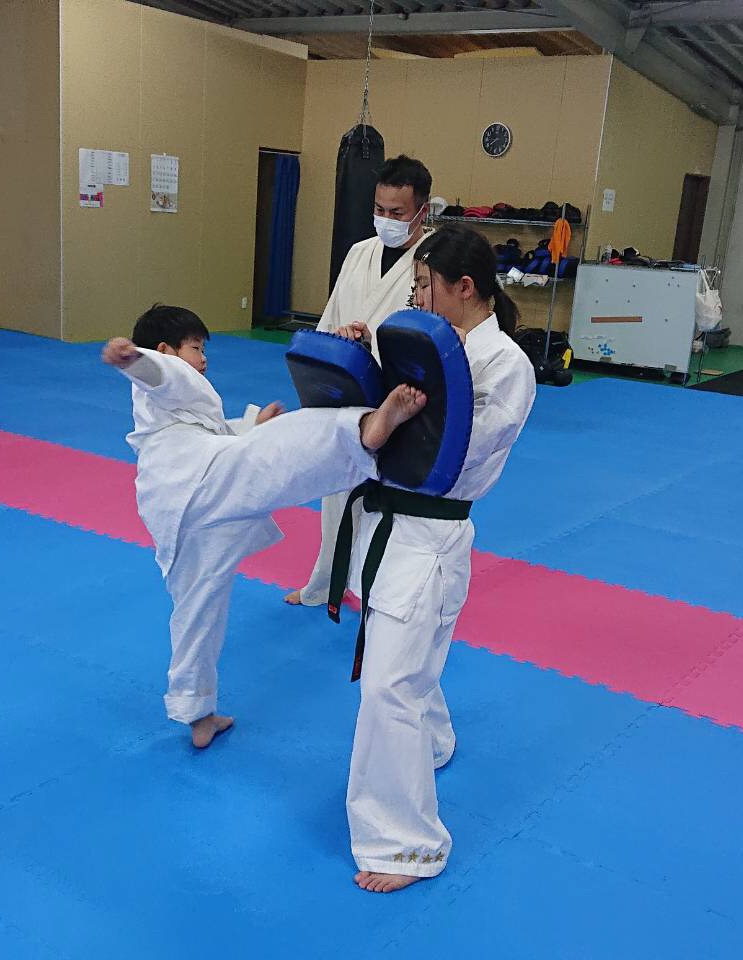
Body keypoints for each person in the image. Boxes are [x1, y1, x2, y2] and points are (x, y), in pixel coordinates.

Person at [103, 304, 426, 749]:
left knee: (197, 611)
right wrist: (134, 360)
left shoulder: (174, 408)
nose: (203, 359)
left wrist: (250, 426)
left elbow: (211, 433)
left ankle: (196, 712)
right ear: (166, 349)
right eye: (196, 348)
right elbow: (164, 375)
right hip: (196, 480)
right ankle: (360, 430)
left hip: (177, 507)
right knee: (281, 446)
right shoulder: (165, 376)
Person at [330, 228, 536, 893]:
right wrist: (363, 362)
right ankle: (434, 742)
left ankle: (407, 844)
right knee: (409, 664)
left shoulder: (504, 364)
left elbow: (451, 453)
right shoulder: (431, 349)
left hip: (429, 536)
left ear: (463, 288)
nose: (416, 296)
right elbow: (386, 418)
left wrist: (391, 415)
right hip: (391, 528)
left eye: (423, 285)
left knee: (389, 685)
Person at [284, 155, 435, 609]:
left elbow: (432, 335)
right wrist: (337, 344)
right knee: (336, 492)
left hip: (398, 397)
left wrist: (375, 343)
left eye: (397, 212)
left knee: (384, 499)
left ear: (422, 211)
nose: (386, 220)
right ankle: (326, 582)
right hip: (347, 386)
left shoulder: (433, 261)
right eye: (379, 209)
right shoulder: (359, 252)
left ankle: (377, 591)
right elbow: (330, 318)